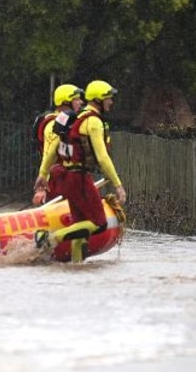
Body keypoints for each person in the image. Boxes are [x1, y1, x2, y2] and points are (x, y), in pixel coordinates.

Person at [34, 80, 127, 263]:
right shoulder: (93, 122)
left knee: (80, 226)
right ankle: (50, 238)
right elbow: (102, 157)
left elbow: (53, 148)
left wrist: (43, 174)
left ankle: (77, 265)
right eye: (108, 98)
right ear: (99, 99)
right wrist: (118, 185)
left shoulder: (72, 116)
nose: (111, 102)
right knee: (99, 224)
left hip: (66, 177)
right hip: (79, 178)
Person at [31, 83, 84, 206]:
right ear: (65, 102)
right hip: (56, 182)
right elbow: (48, 155)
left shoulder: (67, 122)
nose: (81, 102)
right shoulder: (53, 125)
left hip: (68, 179)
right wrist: (42, 188)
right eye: (76, 99)